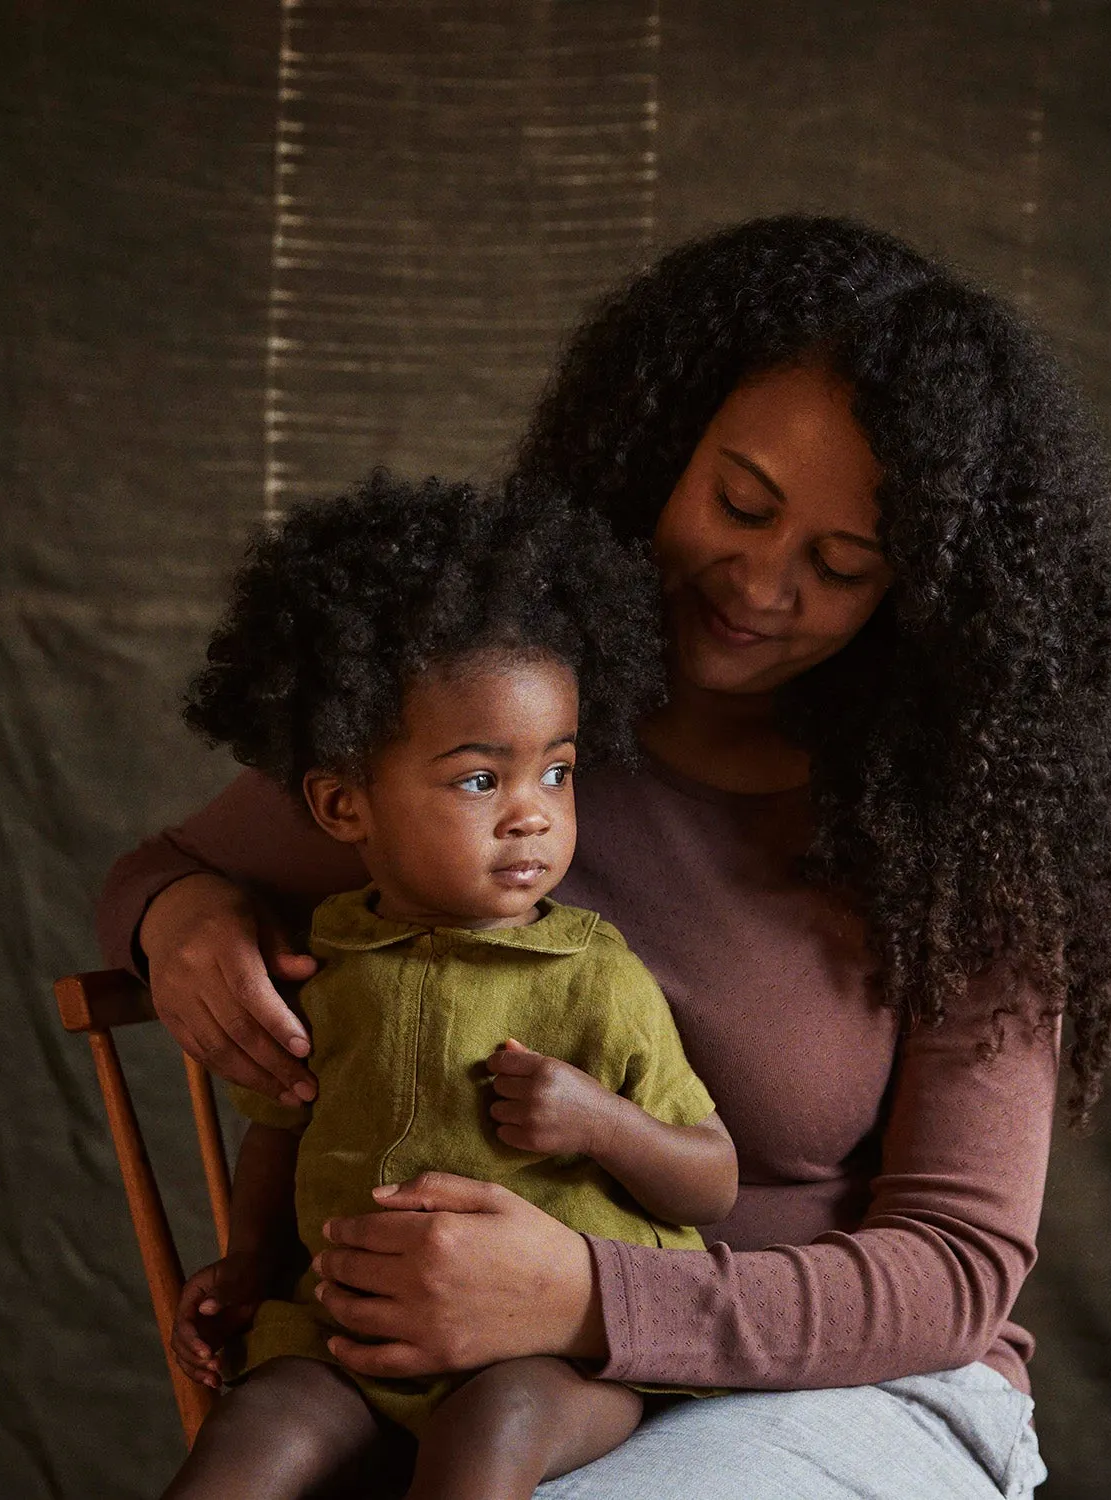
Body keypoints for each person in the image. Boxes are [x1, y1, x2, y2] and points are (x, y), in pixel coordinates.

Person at [100, 216, 1111, 1499]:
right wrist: (184, 919)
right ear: (661, 441)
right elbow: (157, 872)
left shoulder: (966, 833)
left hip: (850, 1386)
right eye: (741, 502)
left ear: (920, 596)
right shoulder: (486, 715)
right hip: (429, 1377)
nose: (764, 584)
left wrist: (592, 1298)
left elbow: (952, 1266)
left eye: (840, 566)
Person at [158, 474, 738, 1500]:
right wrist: (250, 1262)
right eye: (481, 780)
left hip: (552, 1355)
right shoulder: (329, 961)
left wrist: (602, 1124)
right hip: (351, 1336)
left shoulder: (593, 975)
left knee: (485, 1444)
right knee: (244, 1446)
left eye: (555, 773)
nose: (530, 814)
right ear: (344, 805)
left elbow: (711, 1178)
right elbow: (283, 1128)